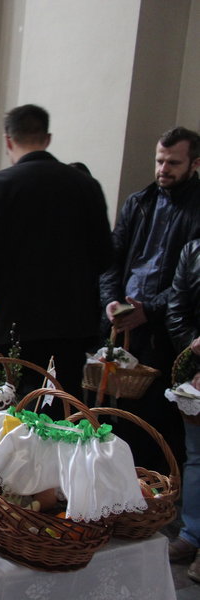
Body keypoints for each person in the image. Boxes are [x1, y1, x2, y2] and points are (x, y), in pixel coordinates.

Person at [0, 104, 113, 401]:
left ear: (7, 141)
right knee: (64, 414)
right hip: (72, 324)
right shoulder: (85, 185)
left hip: (10, 326)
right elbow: (105, 256)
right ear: (47, 138)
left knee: (11, 413)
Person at [100, 125, 200, 471]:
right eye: (159, 161)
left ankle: (150, 490)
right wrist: (111, 300)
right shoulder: (138, 202)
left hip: (165, 327)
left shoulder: (196, 207)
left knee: (155, 419)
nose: (163, 169)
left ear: (194, 164)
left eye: (173, 162)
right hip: (124, 319)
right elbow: (111, 260)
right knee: (115, 414)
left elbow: (189, 281)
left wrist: (151, 310)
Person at [167, 239, 200, 578]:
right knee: (197, 458)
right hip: (198, 374)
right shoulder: (193, 250)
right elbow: (178, 307)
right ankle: (191, 534)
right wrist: (193, 345)